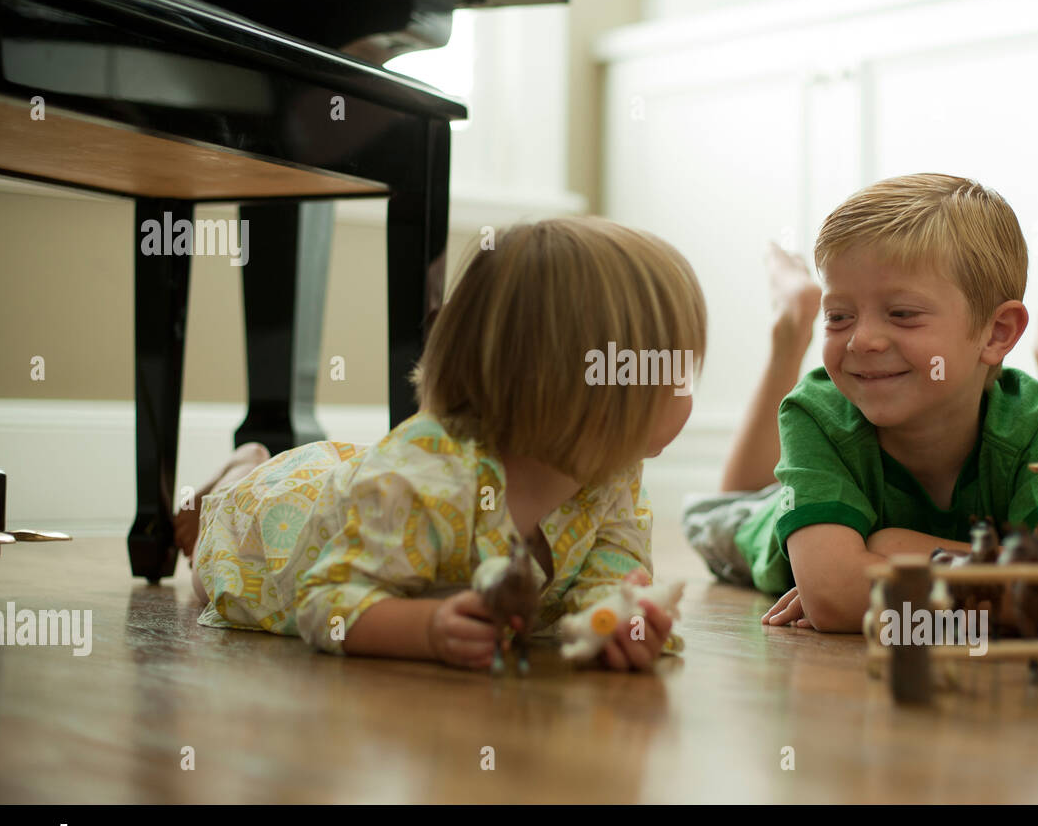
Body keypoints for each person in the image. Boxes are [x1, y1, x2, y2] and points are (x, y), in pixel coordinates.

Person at [175, 216, 706, 671]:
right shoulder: (423, 480)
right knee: (207, 572)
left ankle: (246, 467)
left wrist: (624, 625)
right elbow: (325, 604)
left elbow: (606, 587)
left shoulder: (612, 476)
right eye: (677, 372)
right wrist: (424, 628)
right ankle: (236, 478)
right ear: (587, 393)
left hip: (357, 486)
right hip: (270, 531)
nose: (691, 390)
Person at [682, 173, 1038, 637]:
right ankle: (791, 328)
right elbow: (834, 599)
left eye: (902, 314)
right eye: (838, 317)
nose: (862, 340)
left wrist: (896, 554)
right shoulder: (815, 413)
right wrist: (1026, 596)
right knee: (724, 507)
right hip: (758, 522)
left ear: (996, 333)